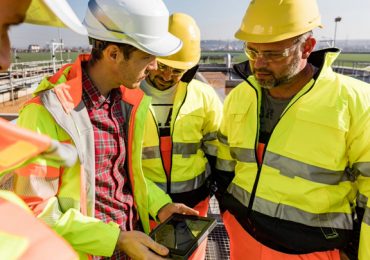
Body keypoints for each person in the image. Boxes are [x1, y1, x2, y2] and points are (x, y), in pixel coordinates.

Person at [13, 0, 198, 259]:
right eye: (148, 56)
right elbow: (35, 210)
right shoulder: (46, 112)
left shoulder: (125, 102)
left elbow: (122, 177)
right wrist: (116, 239)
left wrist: (161, 205)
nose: (155, 66)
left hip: (131, 245)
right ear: (113, 54)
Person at [214, 0, 370, 259]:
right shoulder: (242, 95)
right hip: (242, 234)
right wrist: (229, 209)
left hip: (312, 249)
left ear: (307, 47)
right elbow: (226, 161)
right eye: (252, 51)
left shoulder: (355, 102)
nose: (259, 64)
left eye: (274, 54)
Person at [0, 0, 88, 258]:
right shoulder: (43, 111)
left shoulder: (130, 104)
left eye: (7, 30)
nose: (6, 60)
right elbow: (37, 204)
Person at [140, 13, 222, 259]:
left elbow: (219, 151)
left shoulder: (204, 96)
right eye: (162, 66)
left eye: (176, 71)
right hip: (144, 207)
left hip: (193, 208)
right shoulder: (125, 94)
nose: (167, 76)